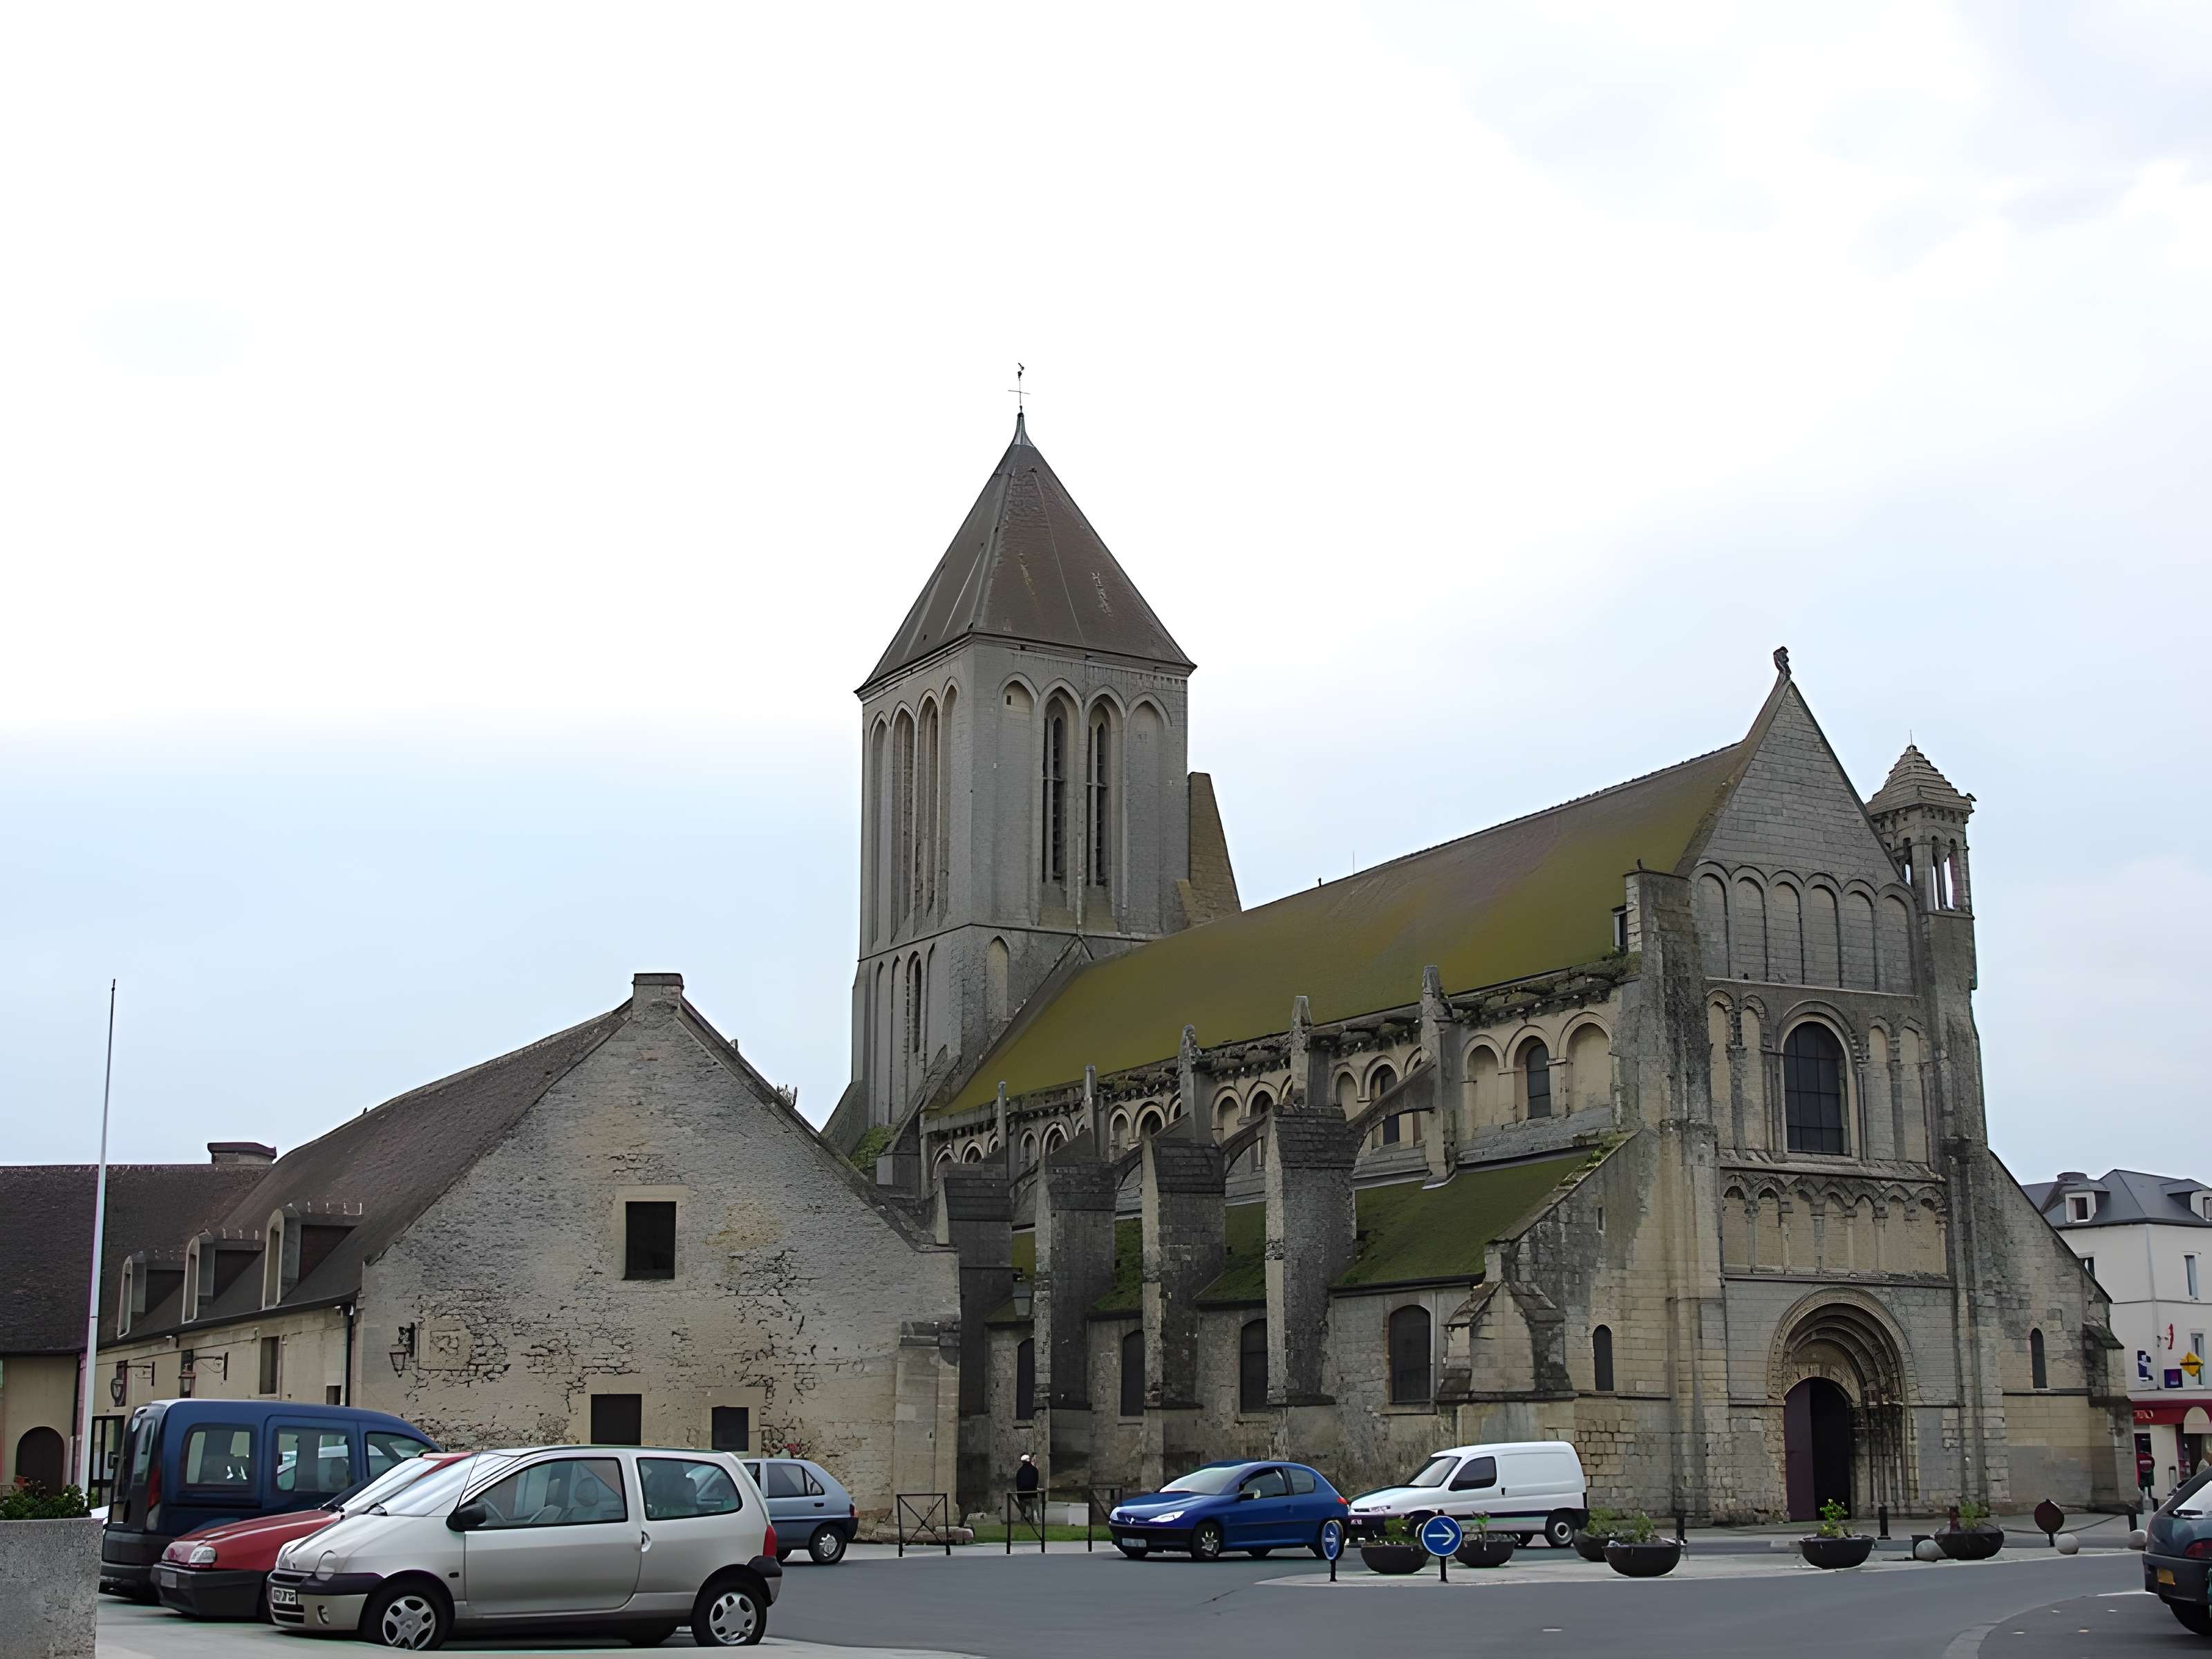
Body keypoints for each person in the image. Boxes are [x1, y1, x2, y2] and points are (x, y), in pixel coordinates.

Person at [1015, 1452, 1040, 1525]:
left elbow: (1018, 1484)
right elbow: (1035, 1482)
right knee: (1036, 1497)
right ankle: (1035, 1516)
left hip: (1022, 1495)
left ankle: (1024, 1515)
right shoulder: (1034, 1470)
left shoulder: (1019, 1472)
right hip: (1032, 1494)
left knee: (1021, 1497)